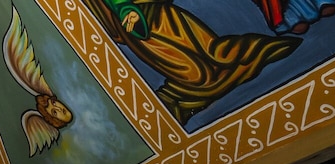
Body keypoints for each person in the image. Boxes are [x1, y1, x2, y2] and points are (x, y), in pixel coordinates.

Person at [85, 0, 300, 124]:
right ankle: (191, 91)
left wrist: (128, 9)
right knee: (177, 64)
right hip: (131, 22)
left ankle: (220, 69)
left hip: (151, 14)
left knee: (196, 62)